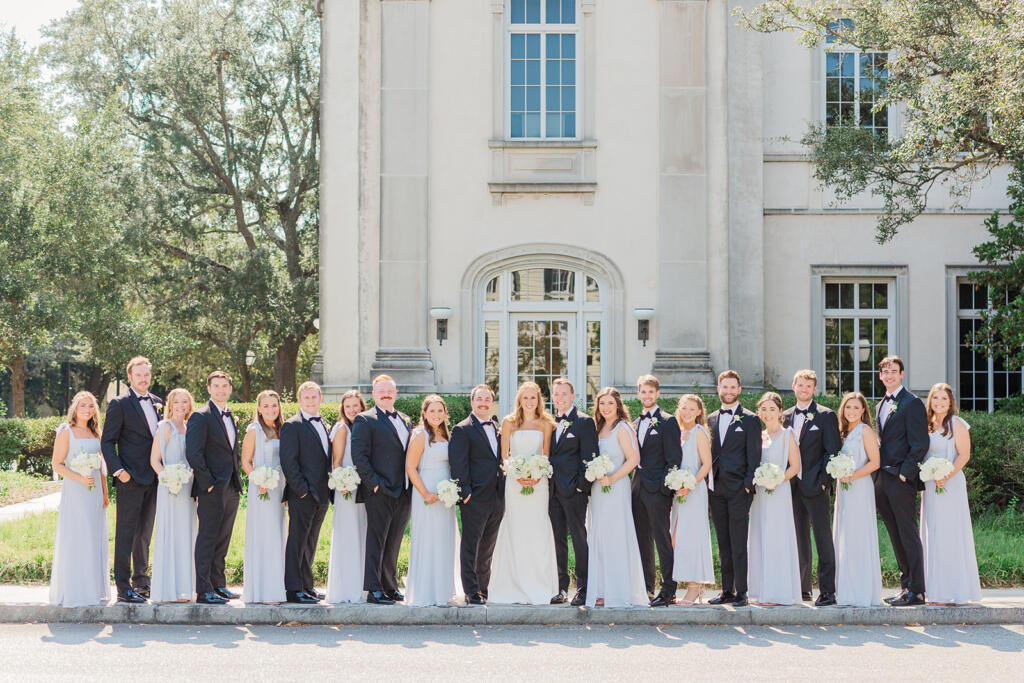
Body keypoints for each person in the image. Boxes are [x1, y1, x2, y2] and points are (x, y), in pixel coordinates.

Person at [489, 382, 559, 605]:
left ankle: (539, 585)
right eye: (525, 398)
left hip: (539, 485)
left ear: (539, 400)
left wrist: (537, 475)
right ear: (519, 400)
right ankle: (512, 585)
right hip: (514, 484)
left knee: (537, 530)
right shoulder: (509, 422)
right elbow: (504, 456)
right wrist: (517, 474)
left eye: (533, 398)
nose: (529, 402)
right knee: (516, 528)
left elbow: (546, 454)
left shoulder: (546, 424)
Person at [100, 356, 163, 603]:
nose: (143, 378)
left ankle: (141, 582)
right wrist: (118, 471)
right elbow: (107, 441)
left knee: (145, 533)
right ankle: (123, 588)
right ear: (130, 377)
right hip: (129, 478)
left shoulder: (158, 402)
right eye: (138, 375)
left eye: (146, 374)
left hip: (153, 479)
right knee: (126, 533)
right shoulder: (119, 403)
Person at [351, 375, 413, 605]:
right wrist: (374, 484)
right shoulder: (365, 420)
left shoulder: (405, 420)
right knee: (376, 540)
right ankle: (373, 589)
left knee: (394, 540)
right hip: (380, 490)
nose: (386, 394)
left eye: (389, 391)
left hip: (404, 491)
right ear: (374, 394)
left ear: (395, 393)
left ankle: (390, 585)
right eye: (381, 391)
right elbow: (359, 455)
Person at [873, 355, 929, 606]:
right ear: (880, 376)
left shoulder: (912, 403)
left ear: (902, 374)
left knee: (907, 533)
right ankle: (905, 585)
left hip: (901, 479)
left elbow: (920, 444)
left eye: (893, 371)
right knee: (895, 535)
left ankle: (917, 590)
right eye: (885, 372)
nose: (889, 375)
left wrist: (906, 473)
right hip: (882, 480)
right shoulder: (879, 405)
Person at [783, 369, 840, 606]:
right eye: (800, 385)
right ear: (794, 386)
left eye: (808, 386)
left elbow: (832, 451)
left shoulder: (825, 416)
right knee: (798, 537)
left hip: (816, 485)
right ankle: (803, 588)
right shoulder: (784, 416)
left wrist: (825, 481)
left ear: (814, 389)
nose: (804, 389)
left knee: (822, 538)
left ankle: (827, 591)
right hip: (791, 487)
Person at [185, 370, 243, 605]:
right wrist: (207, 484)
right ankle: (204, 589)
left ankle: (219, 584)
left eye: (224, 386)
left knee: (223, 538)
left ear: (230, 389)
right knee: (208, 537)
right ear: (209, 389)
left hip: (231, 486)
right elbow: (194, 453)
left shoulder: (231, 415)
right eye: (216, 386)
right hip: (211, 488)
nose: (221, 390)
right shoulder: (201, 416)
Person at [921, 383, 982, 605]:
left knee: (950, 533)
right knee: (932, 533)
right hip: (930, 485)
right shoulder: (926, 425)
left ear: (950, 402)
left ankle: (953, 590)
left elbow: (964, 455)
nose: (939, 402)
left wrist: (946, 475)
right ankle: (934, 591)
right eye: (935, 398)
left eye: (943, 399)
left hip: (951, 484)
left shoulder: (957, 424)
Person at [587, 387, 648, 608]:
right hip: (598, 488)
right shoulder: (598, 427)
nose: (606, 408)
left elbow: (633, 459)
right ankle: (602, 589)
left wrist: (611, 479)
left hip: (616, 487)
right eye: (602, 404)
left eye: (610, 404)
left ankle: (618, 590)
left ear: (618, 406)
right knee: (599, 537)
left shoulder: (622, 428)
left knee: (615, 536)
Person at [49, 391, 110, 607]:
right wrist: (79, 478)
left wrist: (105, 491)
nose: (87, 410)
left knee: (93, 537)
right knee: (78, 537)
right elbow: (57, 465)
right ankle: (76, 590)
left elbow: (101, 466)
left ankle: (93, 589)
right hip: (76, 492)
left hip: (94, 495)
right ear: (75, 407)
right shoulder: (66, 432)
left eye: (91, 406)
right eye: (83, 405)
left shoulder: (96, 432)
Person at [707, 370, 760, 607]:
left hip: (739, 489)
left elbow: (754, 455)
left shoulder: (750, 419)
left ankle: (742, 591)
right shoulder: (709, 419)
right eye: (724, 387)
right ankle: (726, 589)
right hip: (716, 489)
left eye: (732, 387)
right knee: (723, 541)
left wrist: (748, 485)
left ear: (739, 390)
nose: (728, 391)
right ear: (718, 389)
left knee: (739, 541)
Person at [448, 384, 505, 605]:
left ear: (492, 403)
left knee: (488, 546)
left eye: (487, 399)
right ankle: (471, 590)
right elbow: (458, 464)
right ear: (472, 402)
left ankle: (484, 587)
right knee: (471, 545)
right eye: (479, 399)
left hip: (497, 497)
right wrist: (465, 493)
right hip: (475, 498)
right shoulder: (462, 429)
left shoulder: (498, 427)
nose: (483, 403)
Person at [630, 374, 683, 606]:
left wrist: (665, 487)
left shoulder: (668, 421)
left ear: (657, 394)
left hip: (658, 490)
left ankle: (669, 588)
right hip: (637, 487)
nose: (647, 396)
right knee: (642, 540)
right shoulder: (635, 422)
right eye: (643, 392)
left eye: (651, 392)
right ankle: (647, 588)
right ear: (638, 394)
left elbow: (674, 459)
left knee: (662, 539)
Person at [405, 395, 462, 606]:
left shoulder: (448, 435)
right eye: (432, 411)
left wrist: (450, 491)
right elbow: (410, 467)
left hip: (445, 496)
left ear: (445, 413)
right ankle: (425, 592)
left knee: (444, 540)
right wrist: (425, 493)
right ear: (424, 414)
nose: (436, 415)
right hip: (426, 492)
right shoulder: (420, 436)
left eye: (440, 411)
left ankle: (443, 591)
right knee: (427, 540)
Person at [279, 381, 333, 604]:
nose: (311, 401)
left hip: (322, 494)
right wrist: (302, 491)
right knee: (297, 541)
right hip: (303, 495)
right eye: (307, 398)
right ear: (300, 400)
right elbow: (288, 462)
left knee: (311, 542)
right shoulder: (292, 425)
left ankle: (306, 584)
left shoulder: (326, 424)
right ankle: (293, 589)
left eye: (314, 397)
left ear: (320, 399)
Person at [747, 392, 802, 606]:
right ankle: (762, 591)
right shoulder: (758, 436)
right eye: (764, 409)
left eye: (772, 409)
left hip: (779, 492)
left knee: (777, 538)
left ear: (780, 411)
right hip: (761, 494)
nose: (767, 413)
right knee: (761, 536)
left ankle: (778, 592)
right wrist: (762, 480)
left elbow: (795, 467)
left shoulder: (788, 435)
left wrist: (776, 480)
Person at [548, 377, 598, 606]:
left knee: (579, 538)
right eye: (556, 394)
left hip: (574, 491)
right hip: (552, 491)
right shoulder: (549, 422)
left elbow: (589, 457)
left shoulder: (584, 422)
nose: (559, 398)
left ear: (572, 396)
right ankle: (560, 587)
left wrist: (581, 487)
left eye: (563, 394)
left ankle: (583, 587)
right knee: (558, 539)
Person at [832, 392, 882, 607]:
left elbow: (875, 462)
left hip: (859, 487)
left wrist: (852, 475)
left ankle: (861, 591)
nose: (851, 411)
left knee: (858, 535)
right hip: (844, 488)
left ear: (863, 410)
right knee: (844, 535)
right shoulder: (843, 432)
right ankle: (845, 589)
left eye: (856, 407)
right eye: (848, 407)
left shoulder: (865, 431)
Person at [149, 388, 198, 603]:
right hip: (170, 487)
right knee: (171, 534)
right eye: (177, 402)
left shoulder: (190, 426)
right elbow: (154, 460)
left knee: (187, 534)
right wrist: (168, 480)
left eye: (185, 402)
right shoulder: (166, 426)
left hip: (188, 487)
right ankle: (167, 590)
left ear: (190, 405)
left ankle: (184, 590)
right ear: (170, 405)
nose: (181, 405)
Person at [241, 390, 286, 604]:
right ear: (258, 409)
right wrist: (258, 480)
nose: (271, 409)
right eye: (266, 406)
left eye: (274, 405)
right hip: (261, 490)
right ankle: (261, 591)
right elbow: (246, 462)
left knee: (277, 535)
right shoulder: (254, 430)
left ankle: (275, 588)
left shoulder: (283, 429)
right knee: (264, 535)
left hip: (279, 489)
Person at [671, 394, 715, 605]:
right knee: (676, 538)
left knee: (691, 538)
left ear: (699, 412)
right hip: (678, 492)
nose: (687, 412)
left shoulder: (699, 432)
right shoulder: (676, 432)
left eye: (691, 409)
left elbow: (706, 464)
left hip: (694, 491)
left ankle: (694, 587)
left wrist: (690, 485)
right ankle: (687, 583)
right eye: (683, 408)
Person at [327, 389, 369, 604]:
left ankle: (361, 586)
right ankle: (345, 589)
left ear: (362, 407)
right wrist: (342, 483)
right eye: (348, 406)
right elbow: (336, 462)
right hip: (347, 489)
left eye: (356, 406)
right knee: (348, 536)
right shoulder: (342, 428)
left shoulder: (362, 427)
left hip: (363, 489)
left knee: (361, 534)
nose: (352, 409)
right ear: (343, 409)